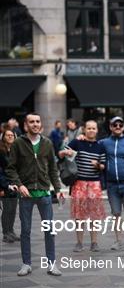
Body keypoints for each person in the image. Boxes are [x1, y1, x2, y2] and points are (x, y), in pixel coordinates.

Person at [5, 113, 62, 276]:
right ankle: (26, 264)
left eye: (37, 121)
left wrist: (57, 189)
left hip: (44, 193)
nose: (35, 124)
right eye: (32, 122)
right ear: (25, 125)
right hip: (26, 195)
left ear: (40, 124)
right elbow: (11, 168)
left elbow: (52, 168)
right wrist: (19, 185)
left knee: (49, 230)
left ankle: (52, 264)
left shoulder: (48, 143)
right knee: (26, 230)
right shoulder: (18, 143)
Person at [59, 121, 106, 252]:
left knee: (94, 215)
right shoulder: (77, 143)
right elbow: (61, 153)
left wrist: (97, 165)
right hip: (79, 183)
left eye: (93, 128)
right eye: (89, 128)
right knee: (79, 216)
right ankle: (79, 242)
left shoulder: (100, 146)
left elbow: (103, 166)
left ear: (97, 130)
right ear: (84, 130)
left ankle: (94, 242)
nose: (91, 130)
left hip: (94, 184)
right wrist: (65, 153)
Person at [100, 117, 124, 250]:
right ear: (110, 127)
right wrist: (82, 137)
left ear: (123, 127)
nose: (118, 126)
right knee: (116, 214)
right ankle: (118, 241)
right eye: (114, 125)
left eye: (120, 125)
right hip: (112, 185)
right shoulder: (104, 143)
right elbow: (92, 145)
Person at [0, 130, 19, 243]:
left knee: (12, 209)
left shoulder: (14, 150)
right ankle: (5, 233)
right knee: (7, 210)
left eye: (12, 135)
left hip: (14, 184)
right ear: (3, 137)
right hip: (5, 184)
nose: (10, 137)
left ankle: (11, 231)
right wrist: (3, 187)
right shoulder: (1, 151)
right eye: (8, 135)